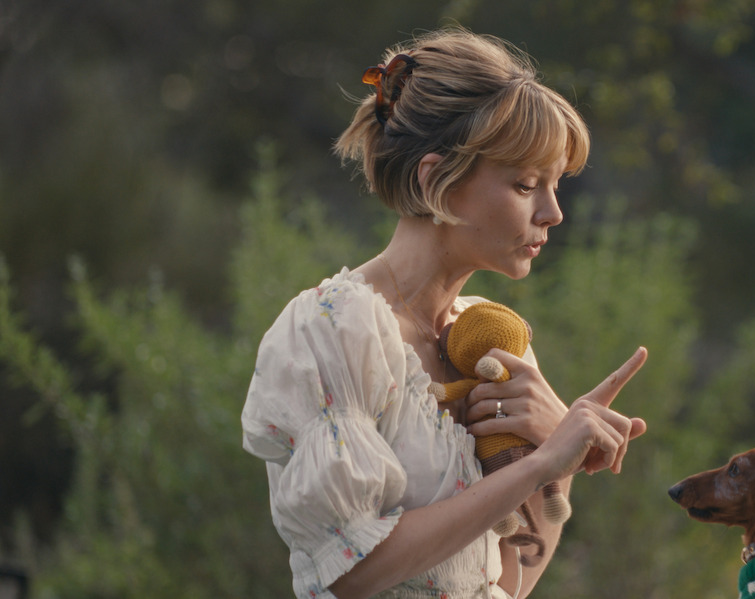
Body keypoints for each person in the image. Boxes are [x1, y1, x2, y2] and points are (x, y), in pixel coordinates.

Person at [240, 27, 648, 599]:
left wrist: (554, 459)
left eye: (555, 185)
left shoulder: (492, 338)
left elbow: (509, 581)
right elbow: (350, 571)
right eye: (526, 185)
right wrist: (538, 466)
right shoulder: (333, 328)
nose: (553, 212)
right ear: (436, 180)